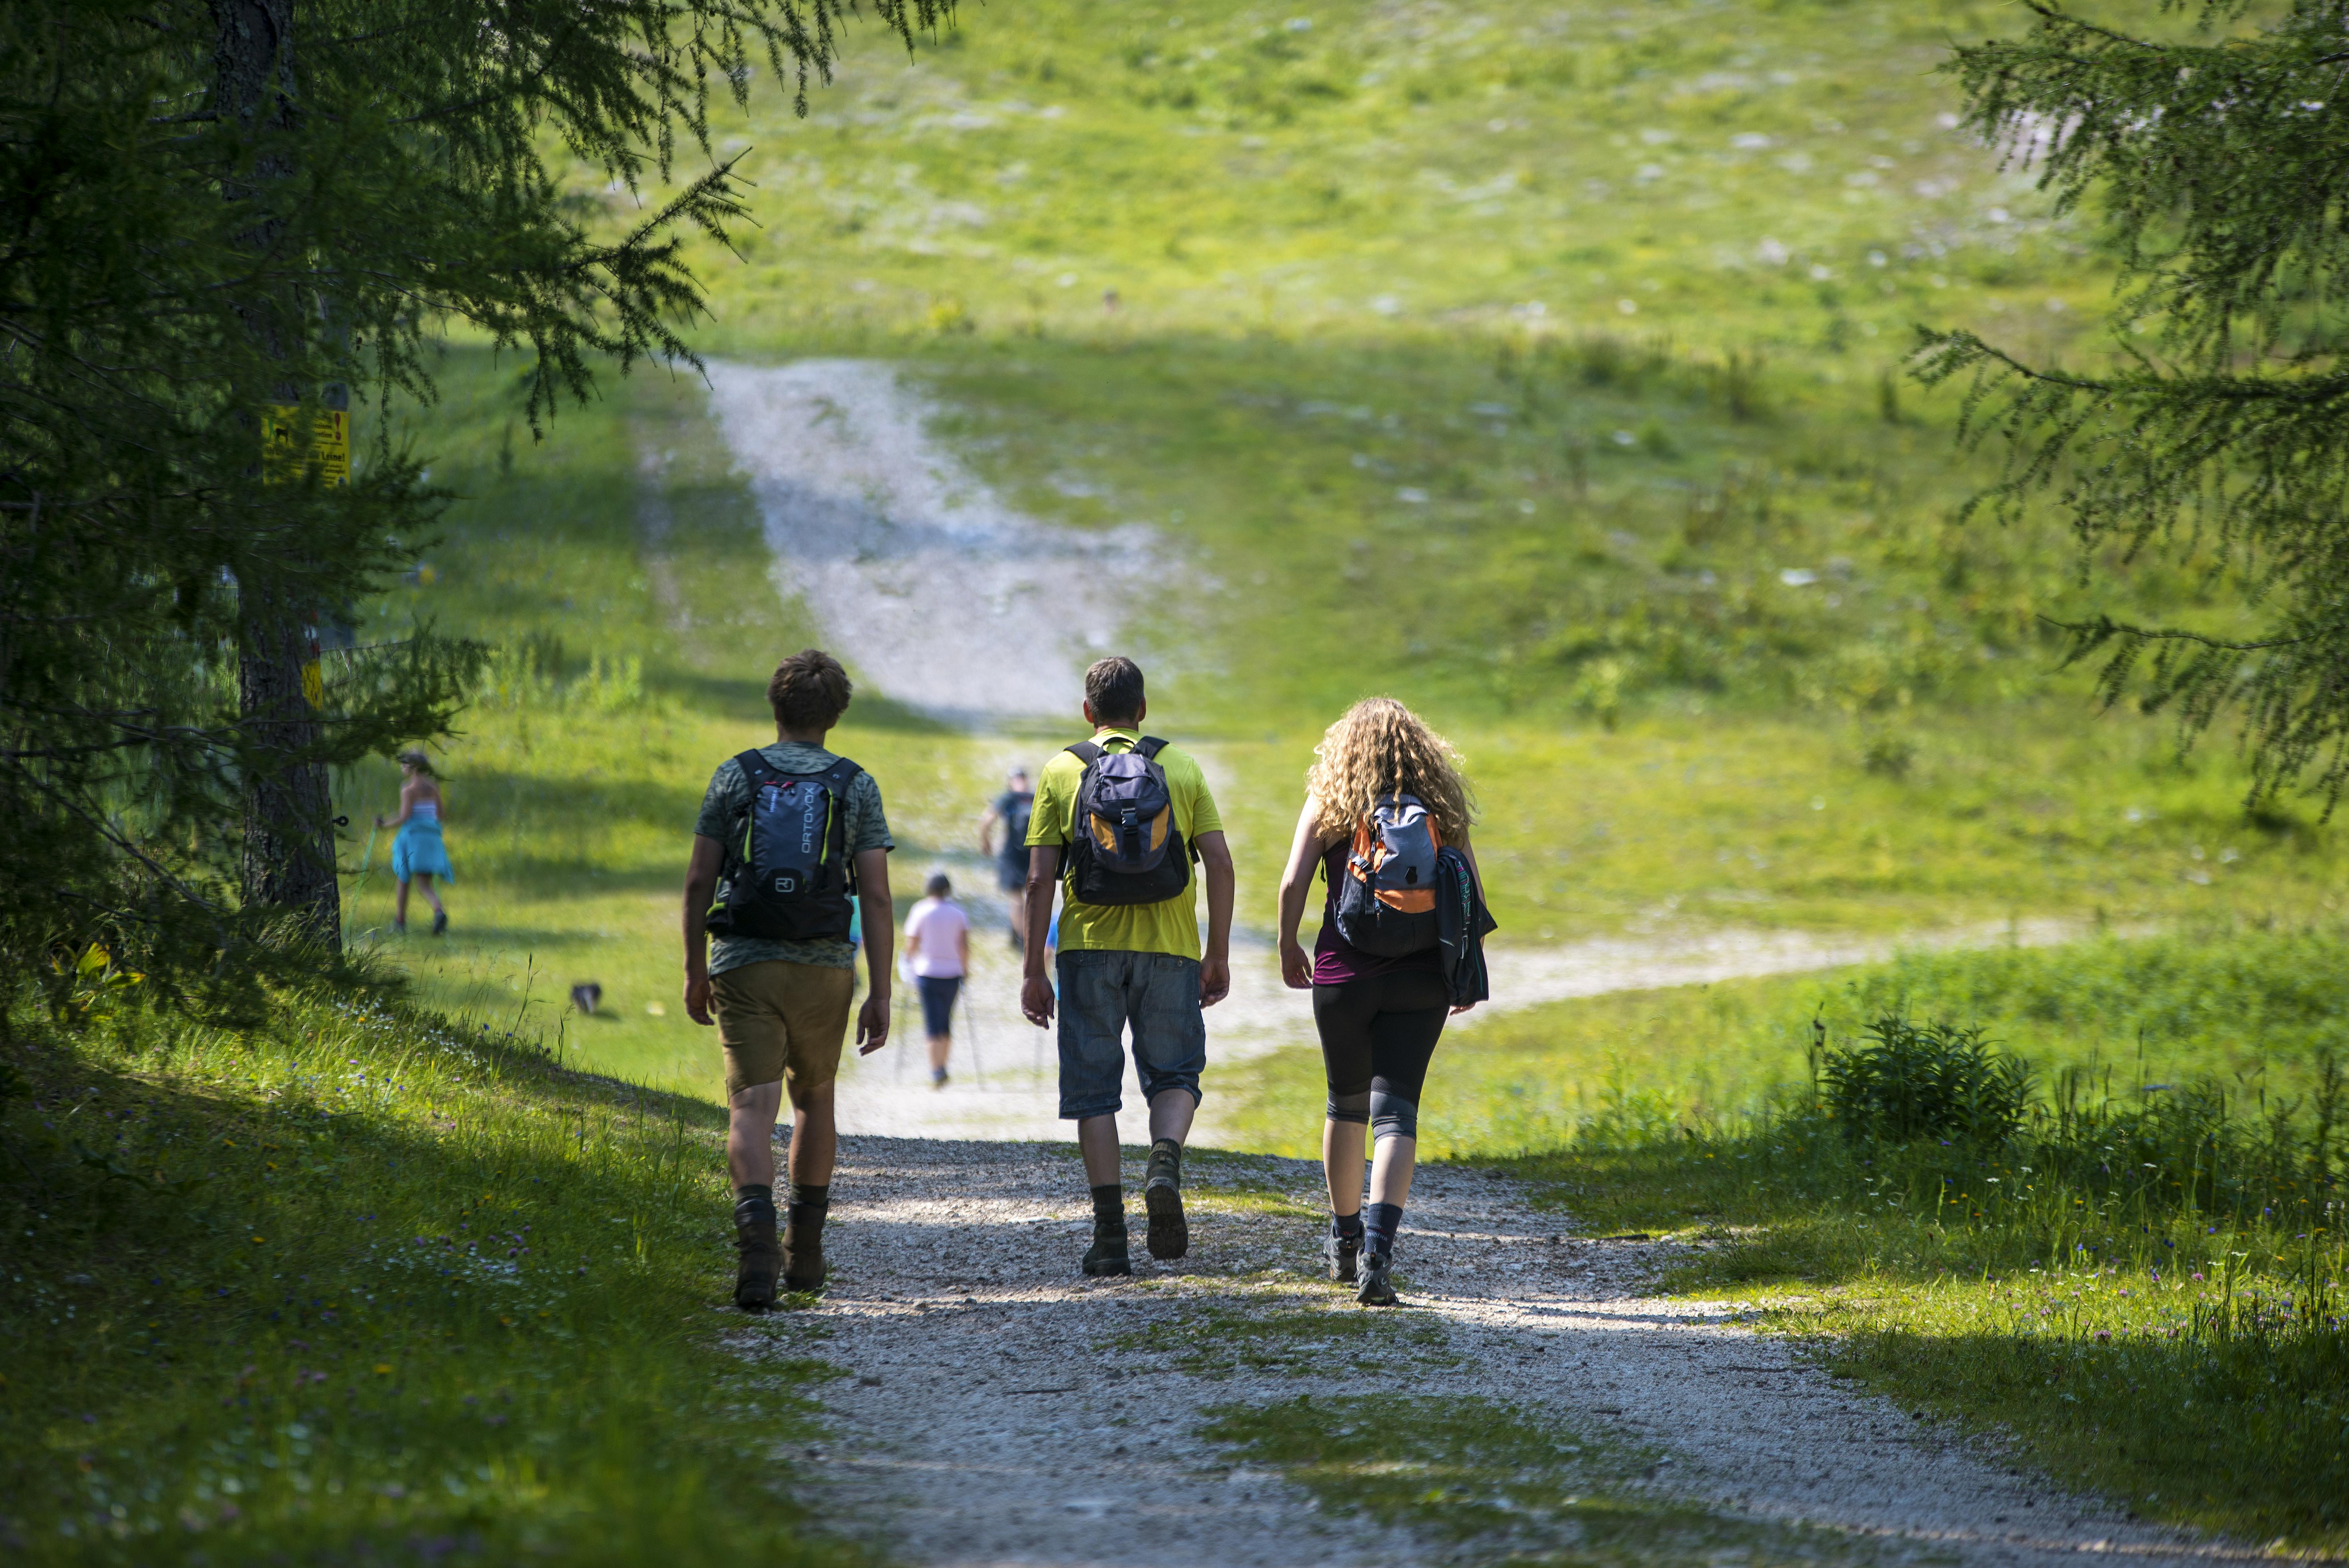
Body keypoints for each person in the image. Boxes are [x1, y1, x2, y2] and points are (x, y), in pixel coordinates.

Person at [682, 649, 896, 1310]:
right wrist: (881, 990)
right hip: (823, 964)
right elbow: (879, 897)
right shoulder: (853, 784)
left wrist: (695, 967)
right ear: (835, 714)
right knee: (814, 1100)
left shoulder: (735, 776)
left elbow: (698, 881)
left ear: (774, 706)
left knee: (751, 1106)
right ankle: (804, 1253)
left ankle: (755, 1246)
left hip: (743, 961)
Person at [1020, 656, 1234, 1277]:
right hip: (1170, 949)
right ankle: (1163, 1160)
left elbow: (1038, 879)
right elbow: (1218, 863)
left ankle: (1110, 1236)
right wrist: (1215, 952)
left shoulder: (1063, 771)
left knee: (1094, 1091)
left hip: (1087, 950)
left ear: (1088, 713)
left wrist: (1034, 968)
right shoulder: (1180, 767)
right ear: (1142, 710)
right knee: (1174, 1075)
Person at [1274, 697, 1486, 1306]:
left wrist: (1289, 946)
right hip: (1422, 978)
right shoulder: (1441, 809)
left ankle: (1342, 1241)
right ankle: (1378, 1254)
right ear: (1422, 751)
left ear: (1346, 749)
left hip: (1343, 974)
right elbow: (1468, 892)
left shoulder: (1332, 801)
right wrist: (1465, 972)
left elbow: (1293, 881)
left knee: (1345, 1104)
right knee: (1398, 1114)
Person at [903, 872, 970, 1088]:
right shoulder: (958, 913)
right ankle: (943, 1066)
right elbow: (964, 946)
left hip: (927, 972)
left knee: (932, 1021)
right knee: (946, 1021)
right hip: (952, 972)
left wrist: (907, 964)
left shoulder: (920, 910)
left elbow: (911, 943)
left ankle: (936, 1070)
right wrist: (966, 970)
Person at [375, 749, 453, 936]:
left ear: (411, 768)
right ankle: (439, 911)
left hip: (412, 839)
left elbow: (405, 817)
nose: (402, 768)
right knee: (424, 884)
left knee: (404, 878)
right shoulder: (434, 788)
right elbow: (441, 814)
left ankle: (400, 922)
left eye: (404, 764)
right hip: (431, 837)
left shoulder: (408, 789)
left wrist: (384, 825)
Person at [978, 768, 1036, 950]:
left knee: (1016, 898)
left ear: (1011, 782)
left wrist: (985, 841)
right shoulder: (1035, 797)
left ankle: (1020, 940)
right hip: (1032, 853)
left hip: (1011, 855)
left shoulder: (1008, 797)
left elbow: (986, 821)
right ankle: (1027, 936)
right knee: (1030, 898)